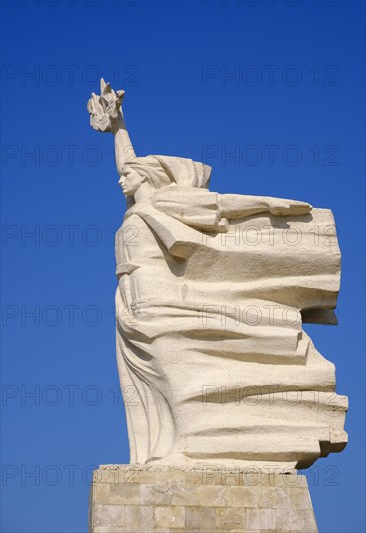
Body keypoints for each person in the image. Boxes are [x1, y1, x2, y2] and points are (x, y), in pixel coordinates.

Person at [87, 80, 347, 470]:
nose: (120, 179)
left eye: (130, 176)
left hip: (160, 296)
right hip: (130, 299)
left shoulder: (167, 200)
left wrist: (269, 205)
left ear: (148, 179)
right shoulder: (137, 207)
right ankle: (163, 449)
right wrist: (118, 127)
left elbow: (223, 205)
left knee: (174, 367)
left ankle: (188, 448)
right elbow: (128, 164)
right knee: (145, 380)